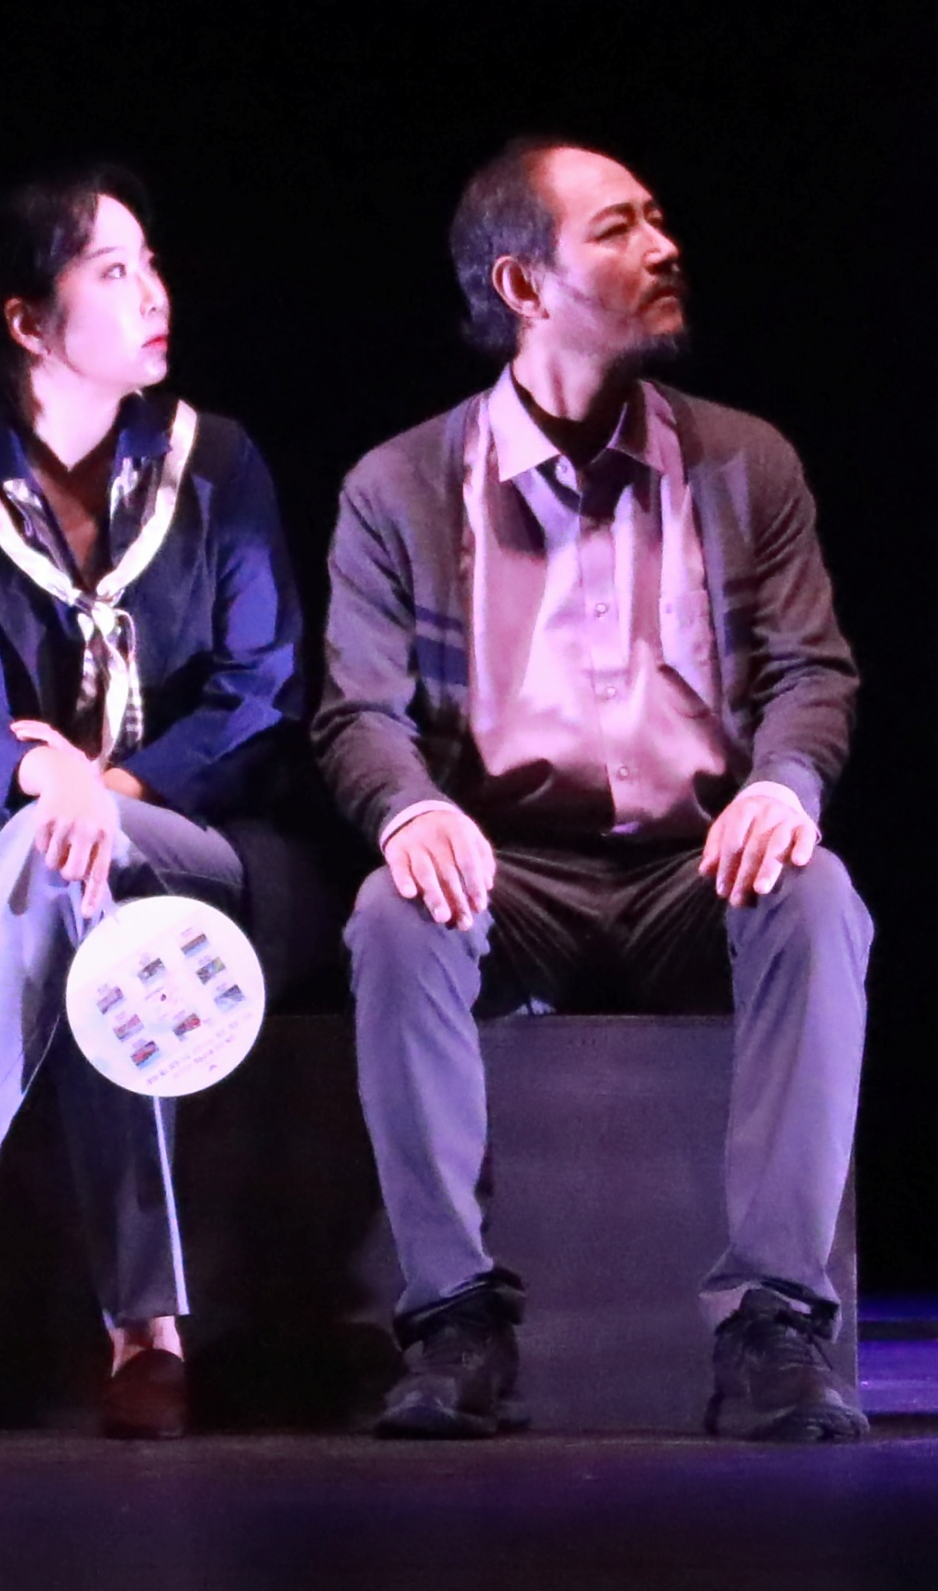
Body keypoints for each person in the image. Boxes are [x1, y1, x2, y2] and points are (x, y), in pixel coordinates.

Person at [318, 138, 872, 1443]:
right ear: (521, 285)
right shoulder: (400, 487)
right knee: (392, 914)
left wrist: (784, 783)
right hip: (509, 869)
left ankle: (774, 1325)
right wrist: (411, 808)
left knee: (817, 896)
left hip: (694, 864)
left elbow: (810, 671)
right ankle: (453, 1321)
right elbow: (356, 711)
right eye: (616, 229)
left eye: (657, 219)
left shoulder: (743, 463)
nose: (661, 246)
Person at [0, 165, 304, 1440]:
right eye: (112, 270)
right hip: (35, 872)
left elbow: (261, 690)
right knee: (84, 895)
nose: (153, 293)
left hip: (213, 848)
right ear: (28, 321)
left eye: (150, 263)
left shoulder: (218, 467)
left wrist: (108, 787)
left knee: (72, 850)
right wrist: (49, 779)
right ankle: (145, 1336)